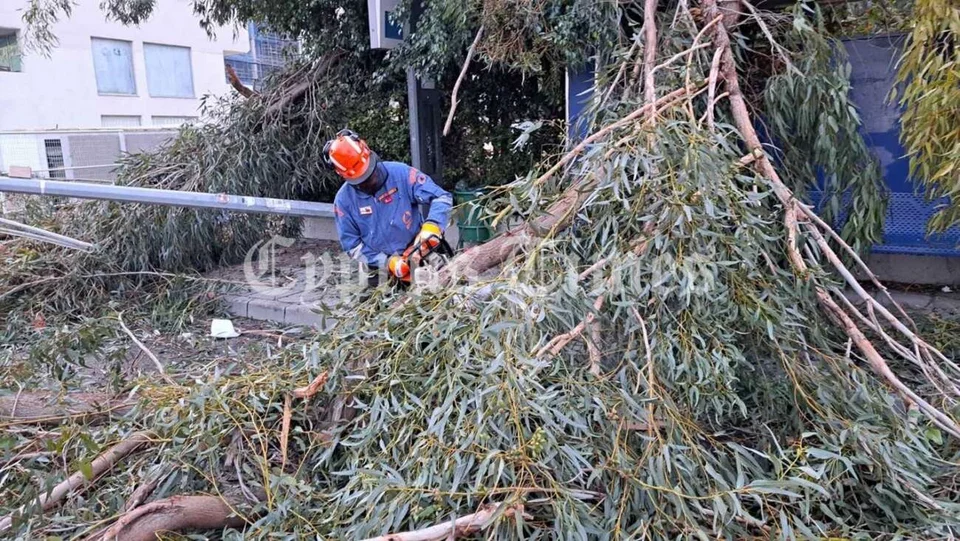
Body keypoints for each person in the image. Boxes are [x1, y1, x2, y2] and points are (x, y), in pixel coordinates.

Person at [324, 129, 453, 287]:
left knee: (444, 287)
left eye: (370, 173)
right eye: (363, 180)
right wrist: (387, 262)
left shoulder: (400, 174)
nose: (371, 180)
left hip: (417, 249)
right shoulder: (344, 202)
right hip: (377, 267)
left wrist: (432, 226)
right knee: (371, 307)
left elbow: (441, 197)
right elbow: (353, 246)